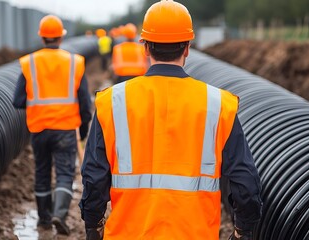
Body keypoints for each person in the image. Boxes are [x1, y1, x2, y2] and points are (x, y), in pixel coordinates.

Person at [79, 1, 262, 240]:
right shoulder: (218, 105)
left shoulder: (112, 103)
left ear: (144, 47)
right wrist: (242, 231)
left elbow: (94, 177)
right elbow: (245, 181)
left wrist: (93, 224)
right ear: (187, 47)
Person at [12, 14, 92, 235]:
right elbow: (85, 102)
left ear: (42, 38)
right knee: (66, 173)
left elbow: (18, 100)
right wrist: (84, 128)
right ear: (60, 37)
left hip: (39, 128)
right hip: (66, 128)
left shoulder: (30, 63)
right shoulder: (74, 62)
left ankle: (44, 219)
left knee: (42, 171)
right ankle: (60, 213)